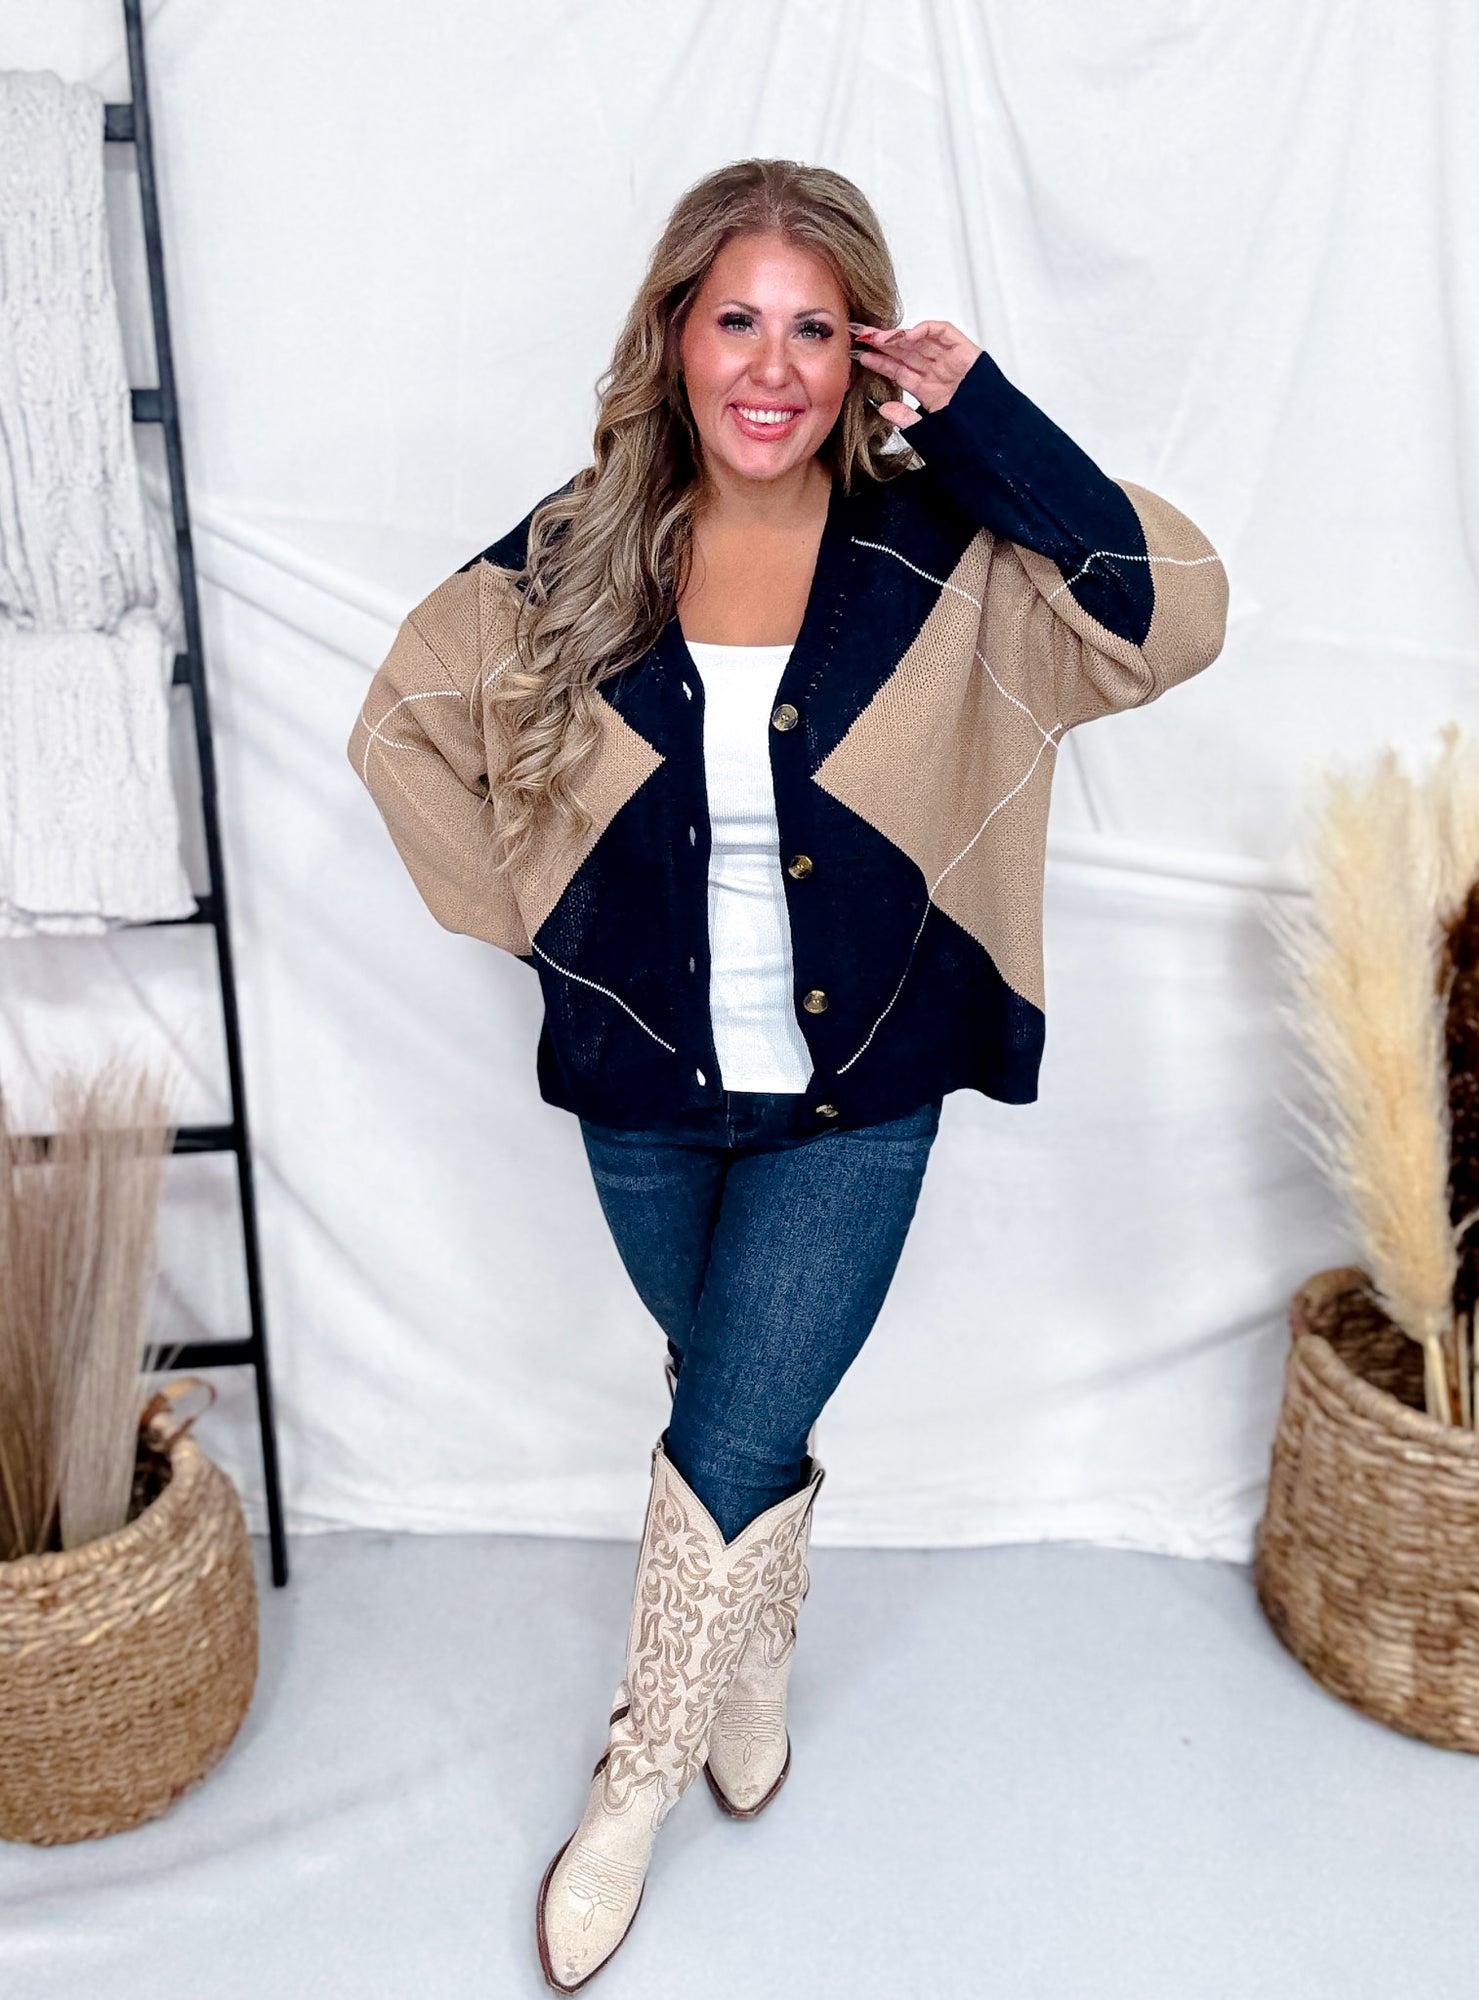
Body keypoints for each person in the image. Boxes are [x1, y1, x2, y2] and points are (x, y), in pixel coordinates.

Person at [347, 157, 1228, 1992]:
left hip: (862, 1092)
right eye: (735, 319)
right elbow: (403, 727)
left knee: (728, 1429)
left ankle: (633, 1783)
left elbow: (1172, 612)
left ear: (861, 357)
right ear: (674, 337)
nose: (771, 365)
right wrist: (555, 926)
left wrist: (980, 416)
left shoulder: (942, 553)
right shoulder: (583, 552)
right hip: (645, 1096)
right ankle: (753, 1656)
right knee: (734, 1399)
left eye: (816, 329)